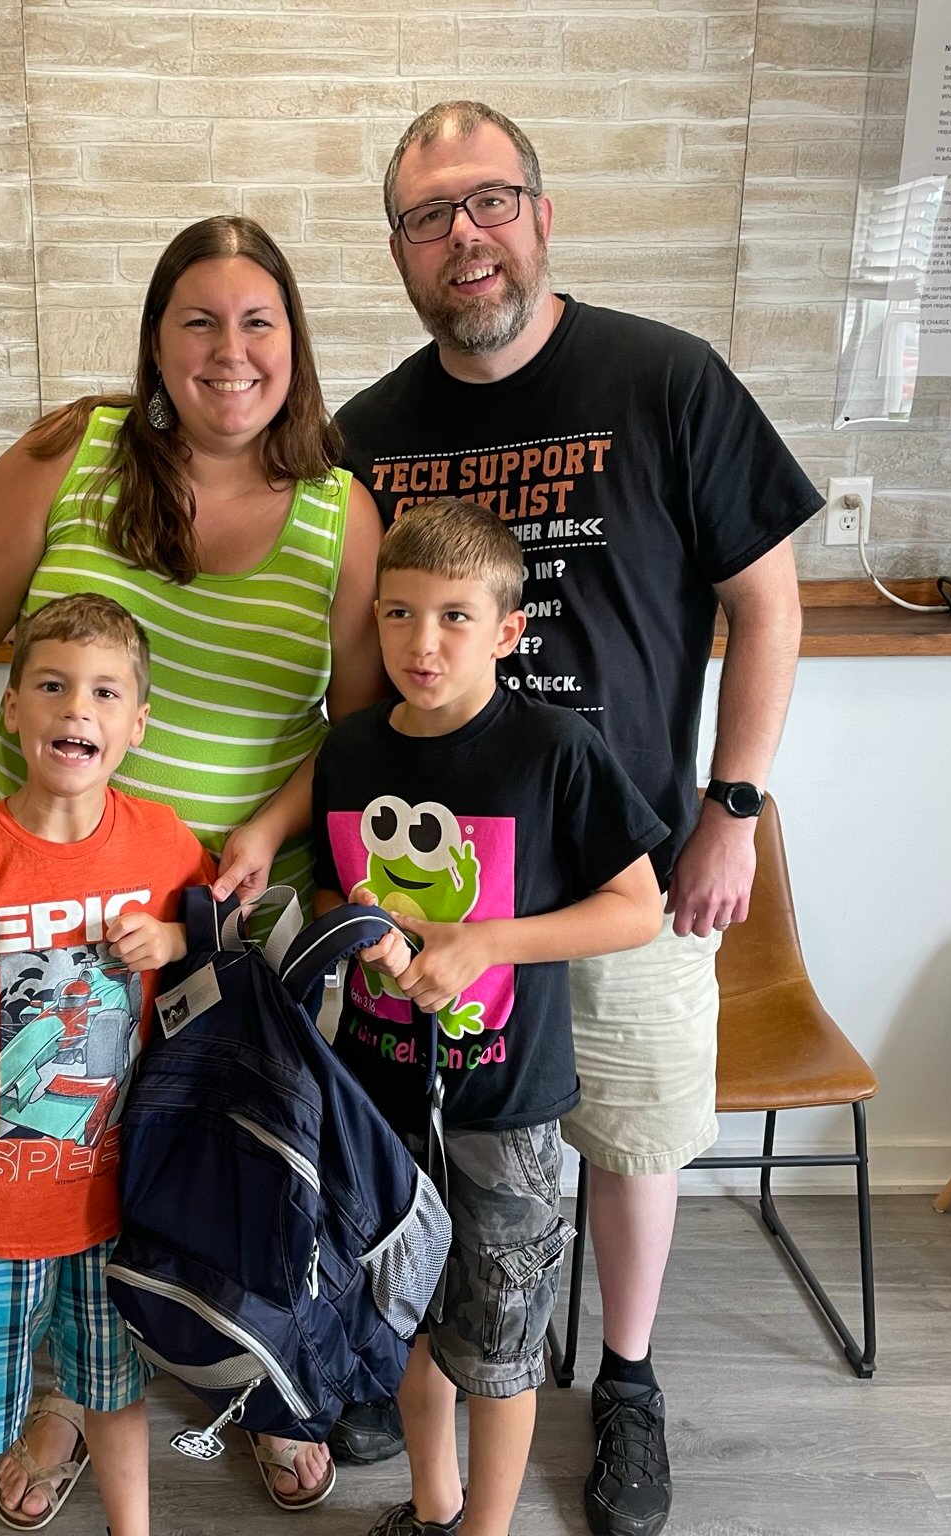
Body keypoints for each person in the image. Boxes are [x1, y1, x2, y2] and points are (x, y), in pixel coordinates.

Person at [333, 103, 824, 1536]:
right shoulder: (368, 434)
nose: (464, 237)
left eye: (489, 202)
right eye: (430, 216)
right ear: (400, 252)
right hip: (435, 890)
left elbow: (766, 604)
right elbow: (359, 663)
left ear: (541, 217)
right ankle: (436, 1355)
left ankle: (626, 1379)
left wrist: (733, 807)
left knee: (631, 1132)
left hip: (626, 861)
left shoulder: (664, 378)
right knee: (451, 1153)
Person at [0, 215, 384, 1517]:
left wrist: (267, 831)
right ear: (156, 341)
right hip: (54, 917)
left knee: (243, 1173)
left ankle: (259, 1382)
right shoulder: (70, 454)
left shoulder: (340, 511)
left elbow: (357, 730)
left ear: (294, 341)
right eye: (198, 321)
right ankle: (62, 1398)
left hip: (232, 923)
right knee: (66, 1158)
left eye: (258, 321)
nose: (231, 350)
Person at [312, 500, 667, 1536]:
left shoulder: (553, 750)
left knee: (501, 1344)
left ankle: (486, 1529)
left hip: (505, 1108)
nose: (421, 643)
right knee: (409, 1325)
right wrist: (364, 931)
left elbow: (636, 909)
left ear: (509, 630)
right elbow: (333, 887)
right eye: (398, 614)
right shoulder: (349, 750)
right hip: (376, 1099)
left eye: (454, 617)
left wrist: (485, 942)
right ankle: (434, 1508)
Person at [0, 595, 214, 1536]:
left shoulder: (164, 842)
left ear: (137, 725)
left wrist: (175, 936)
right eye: (53, 686)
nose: (77, 709)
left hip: (118, 1211)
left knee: (115, 1389)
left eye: (105, 692)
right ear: (11, 709)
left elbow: (223, 942)